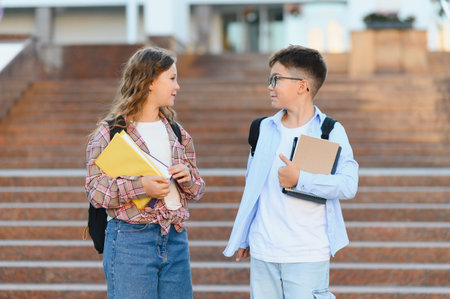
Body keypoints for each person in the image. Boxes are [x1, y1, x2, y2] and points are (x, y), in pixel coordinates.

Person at [223, 45, 358, 299]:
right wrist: (244, 236)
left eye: (276, 79)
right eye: (269, 80)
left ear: (302, 85)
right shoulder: (262, 128)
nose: (270, 86)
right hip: (264, 252)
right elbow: (253, 187)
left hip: (307, 254)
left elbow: (348, 185)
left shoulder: (329, 131)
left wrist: (300, 180)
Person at [85, 47, 205, 299]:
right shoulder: (110, 133)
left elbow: (198, 189)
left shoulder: (178, 132)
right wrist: (142, 187)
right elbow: (96, 191)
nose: (178, 86)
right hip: (130, 241)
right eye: (172, 78)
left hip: (175, 238)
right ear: (150, 81)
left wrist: (188, 178)